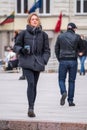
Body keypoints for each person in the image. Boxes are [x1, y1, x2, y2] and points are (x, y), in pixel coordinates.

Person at [13, 12, 50, 117]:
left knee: (34, 86)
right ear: (29, 21)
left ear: (38, 21)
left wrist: (44, 60)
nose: (34, 20)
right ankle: (31, 108)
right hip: (26, 61)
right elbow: (16, 46)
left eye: (36, 19)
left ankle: (32, 106)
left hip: (38, 63)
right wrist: (22, 49)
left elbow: (47, 50)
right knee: (31, 83)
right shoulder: (23, 33)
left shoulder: (44, 35)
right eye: (32, 19)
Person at [55, 22, 84, 107]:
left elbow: (56, 49)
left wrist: (59, 59)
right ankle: (70, 101)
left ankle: (63, 92)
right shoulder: (77, 37)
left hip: (63, 60)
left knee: (61, 79)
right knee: (72, 81)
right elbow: (82, 48)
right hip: (73, 61)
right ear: (74, 29)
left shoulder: (60, 36)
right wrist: (78, 52)